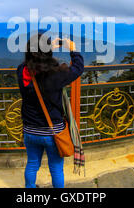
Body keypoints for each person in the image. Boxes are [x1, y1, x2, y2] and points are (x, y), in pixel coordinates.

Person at [16, 34, 84, 188]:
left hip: (30, 130)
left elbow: (34, 65)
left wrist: (45, 49)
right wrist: (73, 49)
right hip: (53, 132)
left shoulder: (21, 71)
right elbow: (78, 68)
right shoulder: (56, 74)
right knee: (56, 169)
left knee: (32, 164)